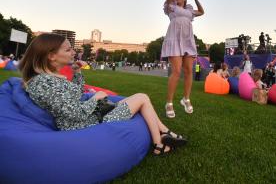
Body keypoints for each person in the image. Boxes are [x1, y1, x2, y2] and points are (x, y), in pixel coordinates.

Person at [18, 33, 186, 156]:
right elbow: (74, 113)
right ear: (51, 56)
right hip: (89, 126)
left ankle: (162, 136)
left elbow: (73, 97)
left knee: (142, 99)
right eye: (68, 49)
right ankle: (160, 142)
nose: (73, 52)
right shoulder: (44, 83)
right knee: (142, 97)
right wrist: (95, 98)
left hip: (91, 119)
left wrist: (76, 73)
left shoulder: (48, 79)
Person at [161, 0, 205, 118]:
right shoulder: (171, 7)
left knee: (188, 71)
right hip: (174, 39)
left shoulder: (189, 11)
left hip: (187, 41)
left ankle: (186, 98)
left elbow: (202, 11)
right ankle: (169, 102)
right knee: (177, 71)